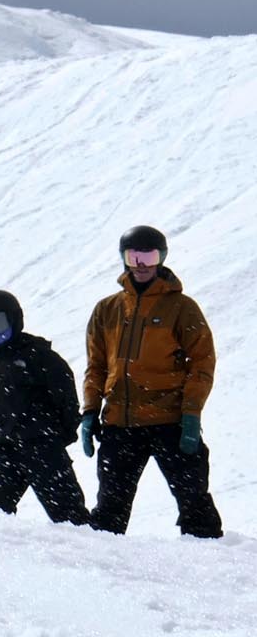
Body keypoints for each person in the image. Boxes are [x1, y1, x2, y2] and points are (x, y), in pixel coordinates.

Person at [80, 224, 221, 538]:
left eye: (149, 255)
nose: (141, 264)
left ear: (162, 257)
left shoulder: (182, 308)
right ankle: (104, 574)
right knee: (108, 514)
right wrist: (90, 411)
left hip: (170, 422)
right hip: (120, 424)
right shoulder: (107, 310)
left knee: (194, 502)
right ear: (124, 259)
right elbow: (96, 367)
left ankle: (212, 570)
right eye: (133, 256)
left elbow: (202, 364)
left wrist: (190, 414)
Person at [0, 289, 88, 525]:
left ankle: (92, 558)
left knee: (69, 517)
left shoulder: (41, 358)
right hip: (2, 449)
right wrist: (4, 435)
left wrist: (53, 437)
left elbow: (67, 401)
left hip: (42, 448)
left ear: (15, 320)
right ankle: (1, 557)